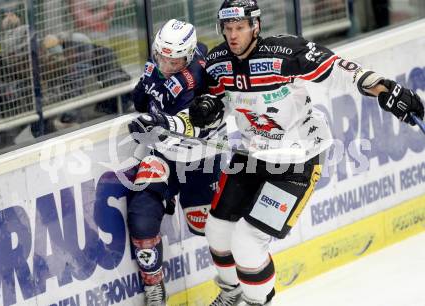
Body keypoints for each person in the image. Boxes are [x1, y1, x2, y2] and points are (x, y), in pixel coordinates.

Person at [182, 0, 423, 305]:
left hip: (296, 161)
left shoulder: (283, 53)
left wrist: (387, 90)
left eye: (240, 27)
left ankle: (258, 302)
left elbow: (337, 68)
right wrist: (207, 111)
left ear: (255, 27)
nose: (233, 35)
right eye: (228, 28)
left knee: (246, 242)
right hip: (252, 155)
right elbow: (215, 101)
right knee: (216, 230)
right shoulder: (218, 61)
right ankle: (232, 293)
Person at [126, 19, 222, 305]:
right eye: (161, 57)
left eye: (175, 60)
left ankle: (233, 285)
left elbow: (190, 122)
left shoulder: (200, 77)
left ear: (189, 57)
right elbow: (141, 102)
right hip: (165, 155)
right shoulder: (156, 68)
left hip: (199, 159)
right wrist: (145, 90)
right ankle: (154, 288)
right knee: (141, 215)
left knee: (211, 228)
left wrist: (154, 119)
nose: (166, 65)